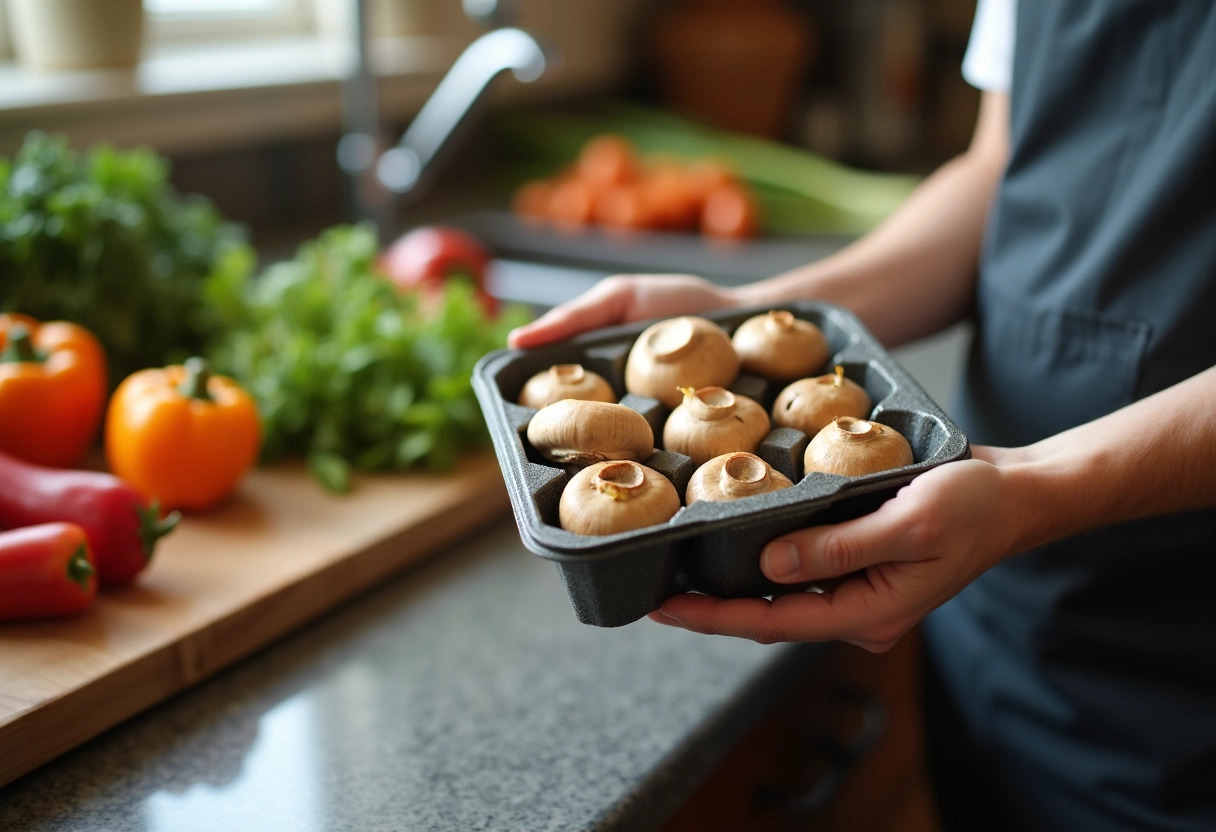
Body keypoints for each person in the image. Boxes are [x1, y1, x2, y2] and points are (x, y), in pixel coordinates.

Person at [507, 1, 1216, 829]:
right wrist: (744, 320)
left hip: (1183, 642)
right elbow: (1002, 171)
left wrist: (1037, 489)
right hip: (991, 596)